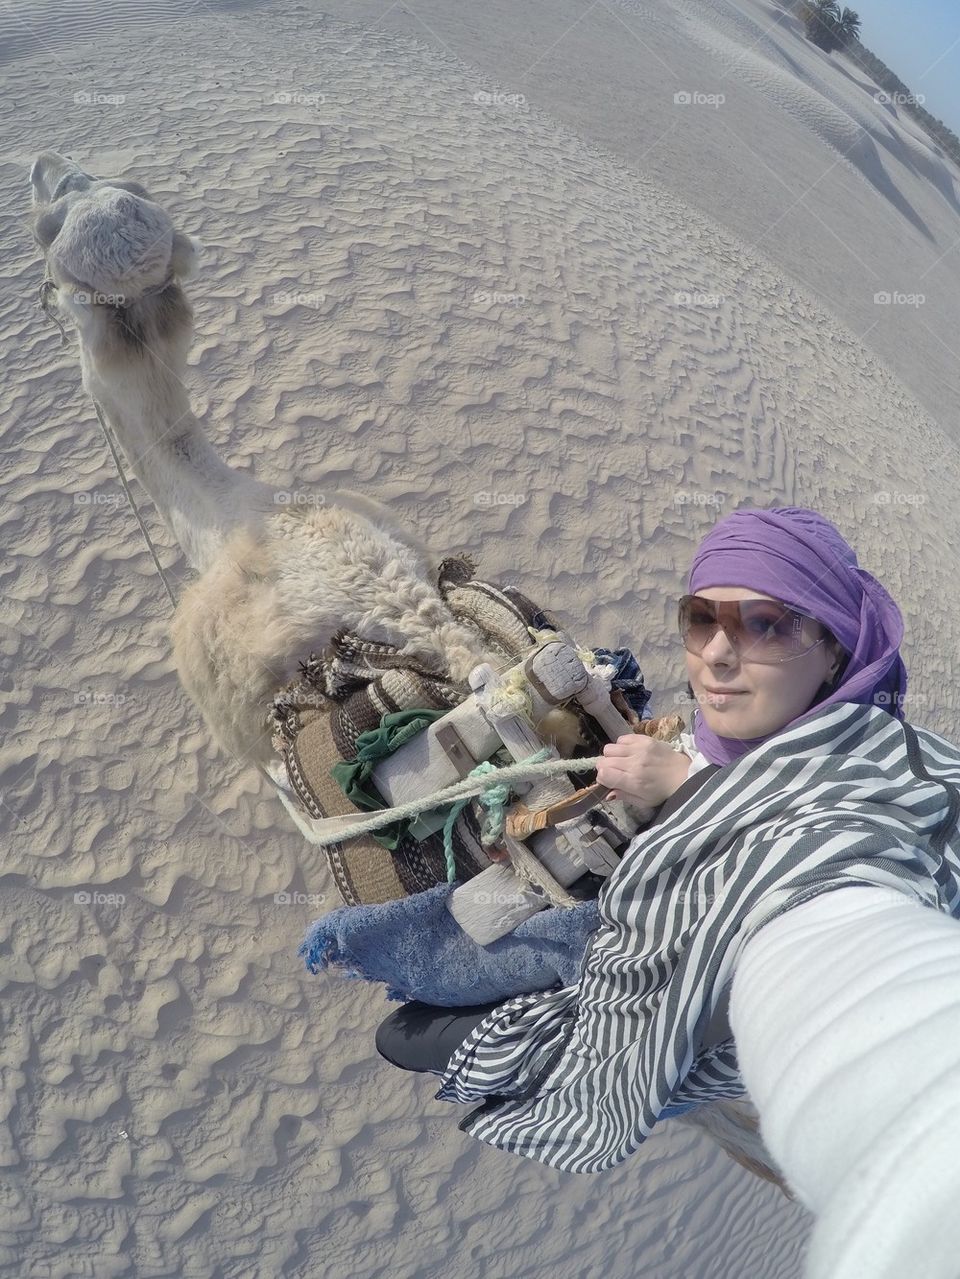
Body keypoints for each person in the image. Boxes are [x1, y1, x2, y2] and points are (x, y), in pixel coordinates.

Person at [376, 506, 960, 1278]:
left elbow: (835, 914)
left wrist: (687, 787)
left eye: (769, 625)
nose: (718, 655)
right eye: (701, 617)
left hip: (708, 1027)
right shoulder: (769, 730)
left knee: (406, 1032)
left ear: (835, 648)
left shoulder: (865, 796)